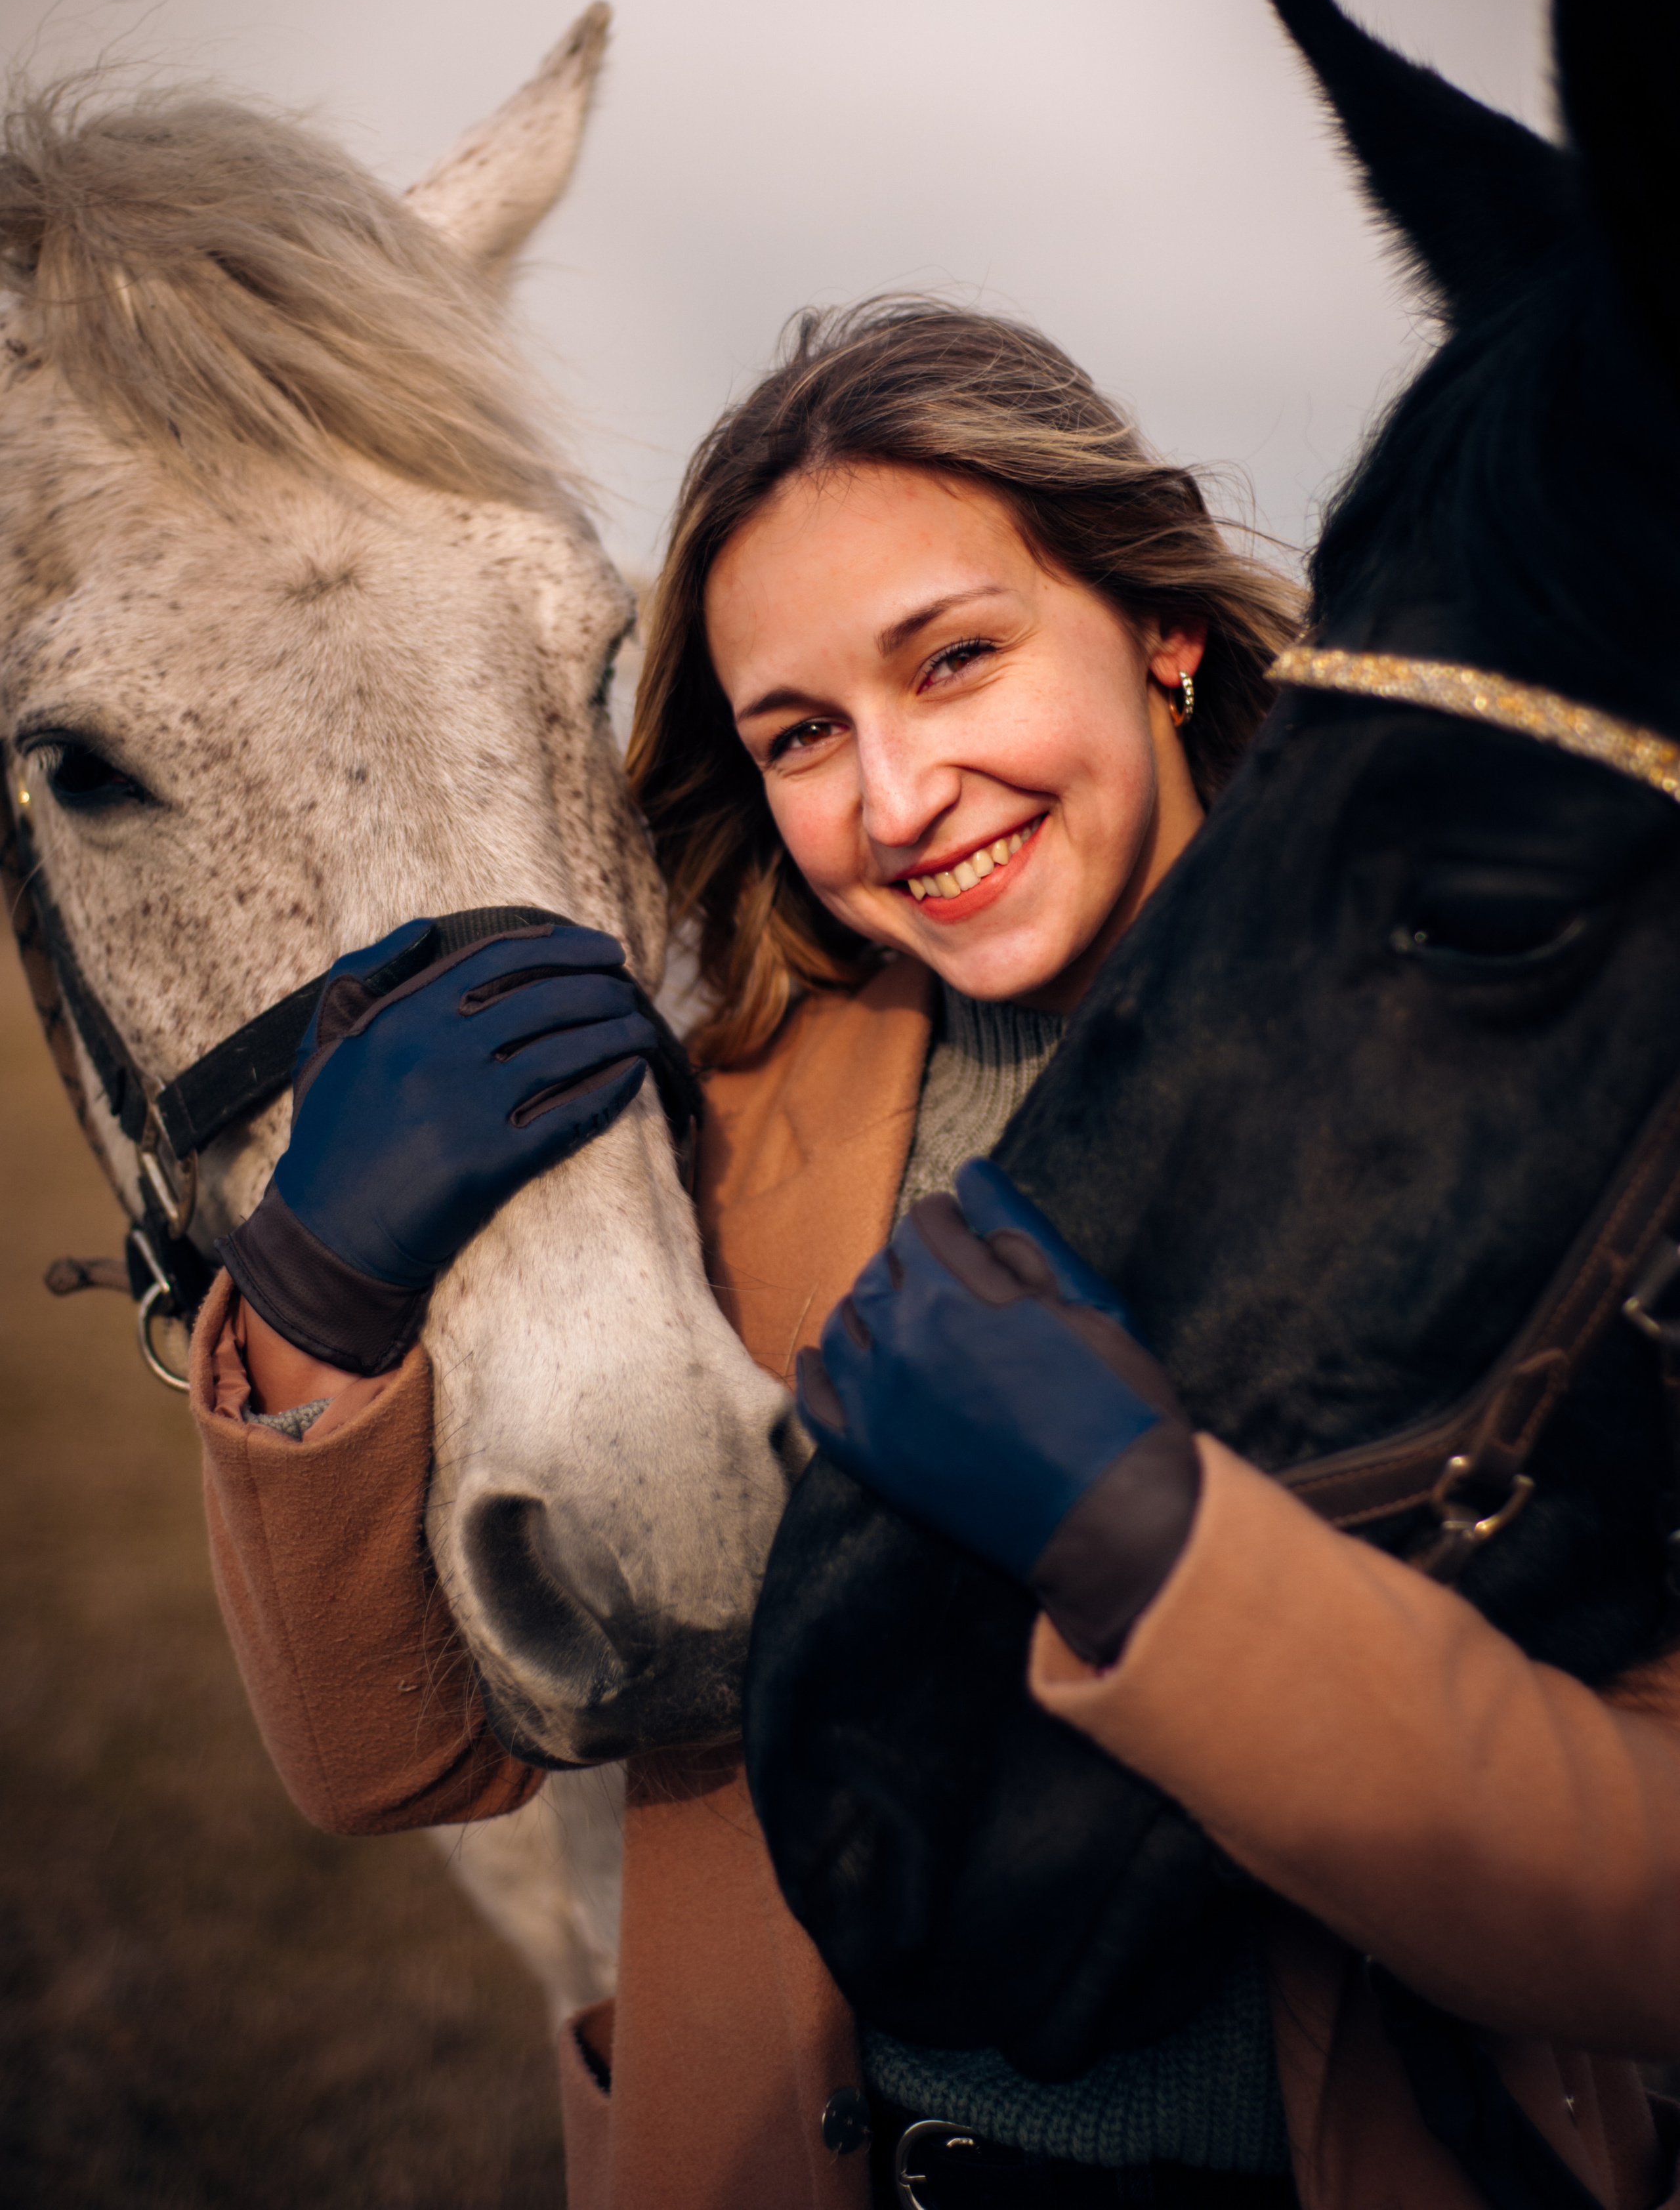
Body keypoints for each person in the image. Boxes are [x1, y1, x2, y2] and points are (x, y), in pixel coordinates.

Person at [186, 299, 1680, 2209]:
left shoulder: (1545, 1087)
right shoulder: (698, 1141)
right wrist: (322, 1294)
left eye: (957, 662)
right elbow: (386, 1766)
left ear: (1164, 629)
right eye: (801, 735)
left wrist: (1144, 1538)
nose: (897, 805)